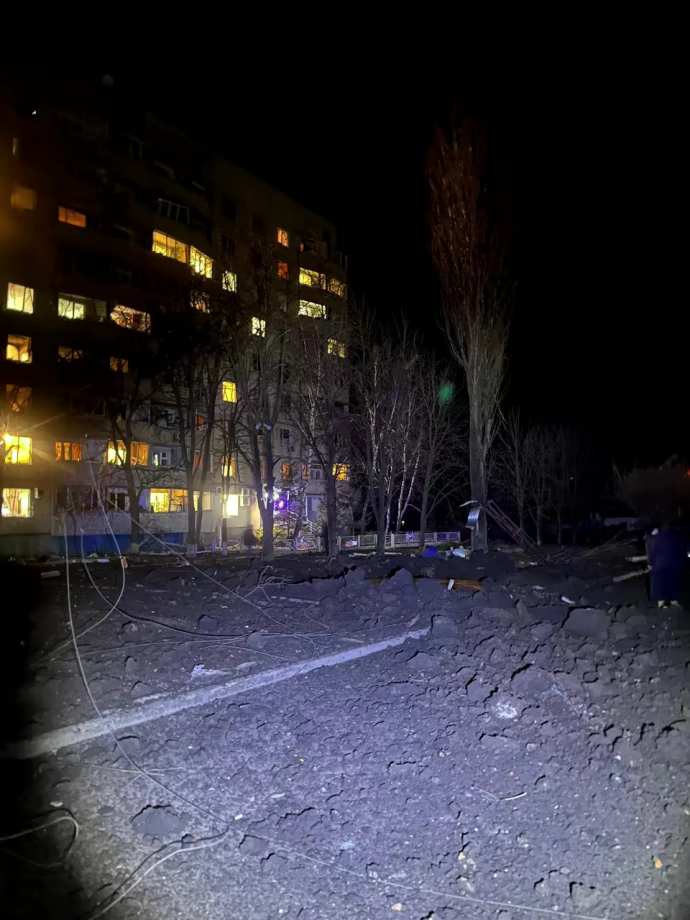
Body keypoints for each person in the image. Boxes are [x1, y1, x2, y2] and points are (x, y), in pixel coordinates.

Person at [646, 523, 687, 608]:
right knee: (672, 583)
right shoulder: (676, 537)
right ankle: (673, 601)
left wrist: (650, 563)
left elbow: (651, 552)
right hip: (673, 565)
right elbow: (681, 550)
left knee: (659, 584)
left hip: (660, 565)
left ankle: (661, 604)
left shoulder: (654, 539)